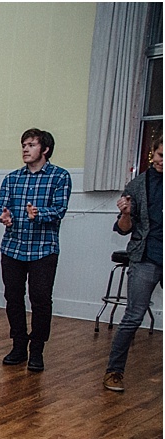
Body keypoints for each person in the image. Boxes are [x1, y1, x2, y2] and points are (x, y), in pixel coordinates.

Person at [0, 128, 72, 372]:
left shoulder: (60, 176)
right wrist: (3, 216)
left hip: (43, 250)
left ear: (45, 149)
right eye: (24, 145)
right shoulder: (12, 178)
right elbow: (0, 206)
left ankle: (37, 349)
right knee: (13, 298)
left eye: (31, 145)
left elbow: (59, 210)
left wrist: (39, 214)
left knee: (40, 300)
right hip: (13, 247)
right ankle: (19, 346)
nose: (25, 149)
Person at [103, 137, 163, 392]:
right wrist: (126, 213)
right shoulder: (138, 185)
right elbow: (123, 229)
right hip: (145, 257)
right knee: (133, 316)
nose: (162, 161)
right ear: (152, 154)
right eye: (160, 155)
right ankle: (114, 371)